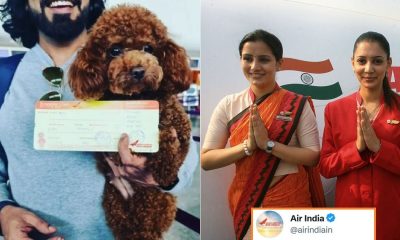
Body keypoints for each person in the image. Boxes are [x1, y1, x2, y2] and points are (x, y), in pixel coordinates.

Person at [0, 0, 198, 239]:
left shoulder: (127, 72)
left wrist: (163, 175)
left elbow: (181, 140)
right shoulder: (5, 76)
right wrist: (4, 211)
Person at [201, 29, 325, 240]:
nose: (255, 66)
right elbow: (206, 159)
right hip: (249, 199)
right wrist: (247, 146)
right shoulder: (229, 105)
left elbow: (313, 156)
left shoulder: (297, 104)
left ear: (279, 63)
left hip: (291, 198)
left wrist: (269, 145)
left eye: (264, 59)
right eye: (247, 58)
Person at [319, 31, 400, 240]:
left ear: (388, 63)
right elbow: (326, 167)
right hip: (350, 216)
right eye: (362, 61)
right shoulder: (335, 109)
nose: (368, 69)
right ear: (352, 63)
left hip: (392, 216)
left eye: (377, 61)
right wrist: (355, 149)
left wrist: (379, 148)